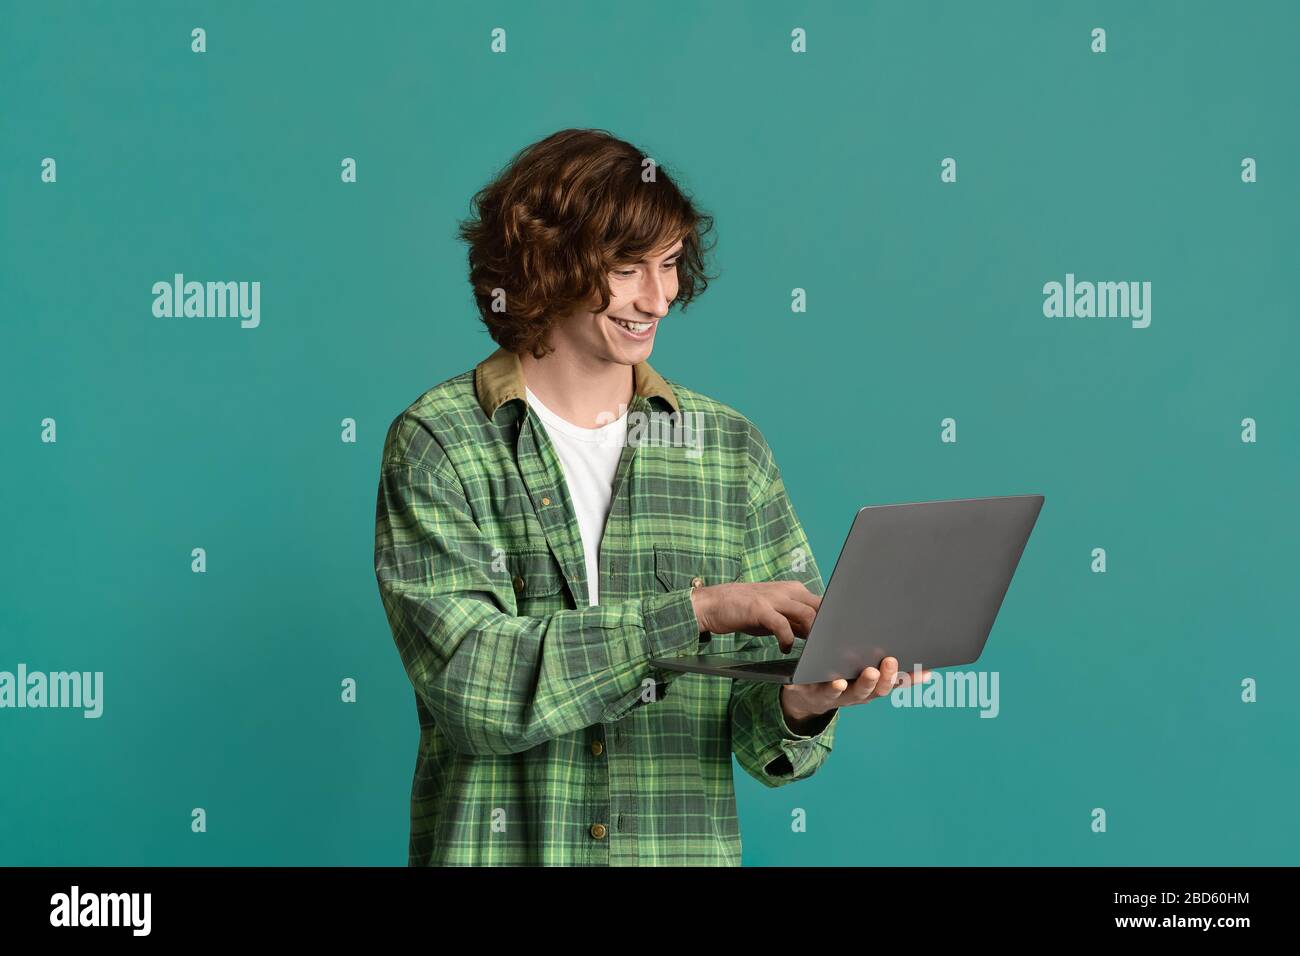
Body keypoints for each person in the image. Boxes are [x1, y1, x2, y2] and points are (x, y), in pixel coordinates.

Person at [373, 128, 929, 866]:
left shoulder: (729, 450)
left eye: (668, 264)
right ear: (546, 264)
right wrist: (692, 614)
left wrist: (806, 702)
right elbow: (474, 686)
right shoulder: (441, 441)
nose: (660, 297)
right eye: (627, 267)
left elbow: (765, 738)